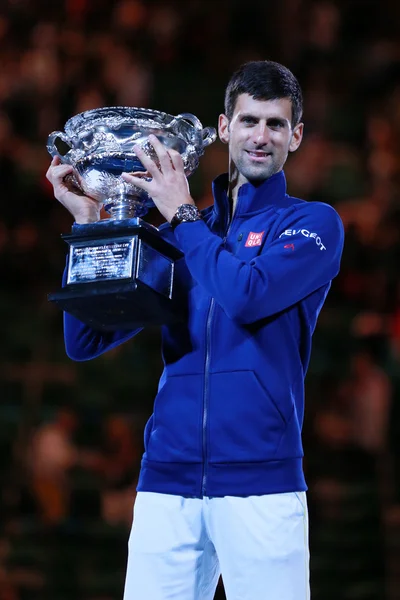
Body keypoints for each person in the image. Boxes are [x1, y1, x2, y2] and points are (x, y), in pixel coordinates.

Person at [46, 60, 344, 600]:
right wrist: (89, 224)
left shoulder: (311, 224)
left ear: (295, 136)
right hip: (166, 483)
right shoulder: (185, 231)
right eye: (249, 121)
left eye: (276, 124)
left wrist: (182, 215)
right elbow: (85, 339)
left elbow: (245, 296)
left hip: (262, 483)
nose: (261, 137)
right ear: (224, 129)